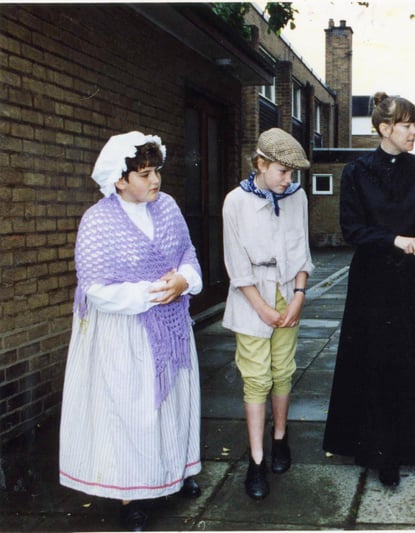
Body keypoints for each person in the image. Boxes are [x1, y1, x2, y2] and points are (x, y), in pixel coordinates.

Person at [59, 132, 203, 532]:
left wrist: (185, 281)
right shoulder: (98, 220)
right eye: (144, 174)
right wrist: (154, 292)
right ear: (120, 180)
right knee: (131, 412)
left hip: (170, 329)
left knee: (173, 405)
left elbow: (187, 253)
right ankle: (130, 496)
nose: (155, 180)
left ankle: (177, 472)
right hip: (124, 334)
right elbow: (94, 287)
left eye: (157, 170)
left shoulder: (169, 207)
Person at [322, 92, 415, 487]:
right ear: (384, 128)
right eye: (406, 125)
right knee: (376, 362)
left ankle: (414, 444)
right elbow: (353, 229)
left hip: (414, 282)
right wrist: (393, 238)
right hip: (373, 284)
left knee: (412, 358)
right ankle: (381, 452)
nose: (413, 132)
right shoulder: (357, 171)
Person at [221, 128, 314, 500]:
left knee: (283, 369)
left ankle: (280, 439)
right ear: (260, 164)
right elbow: (235, 262)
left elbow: (303, 252)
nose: (288, 180)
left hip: (288, 292)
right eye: (281, 172)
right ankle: (256, 461)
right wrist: (260, 306)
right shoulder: (235, 202)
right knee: (256, 376)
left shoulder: (297, 197)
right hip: (251, 297)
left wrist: (298, 297)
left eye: (293, 174)